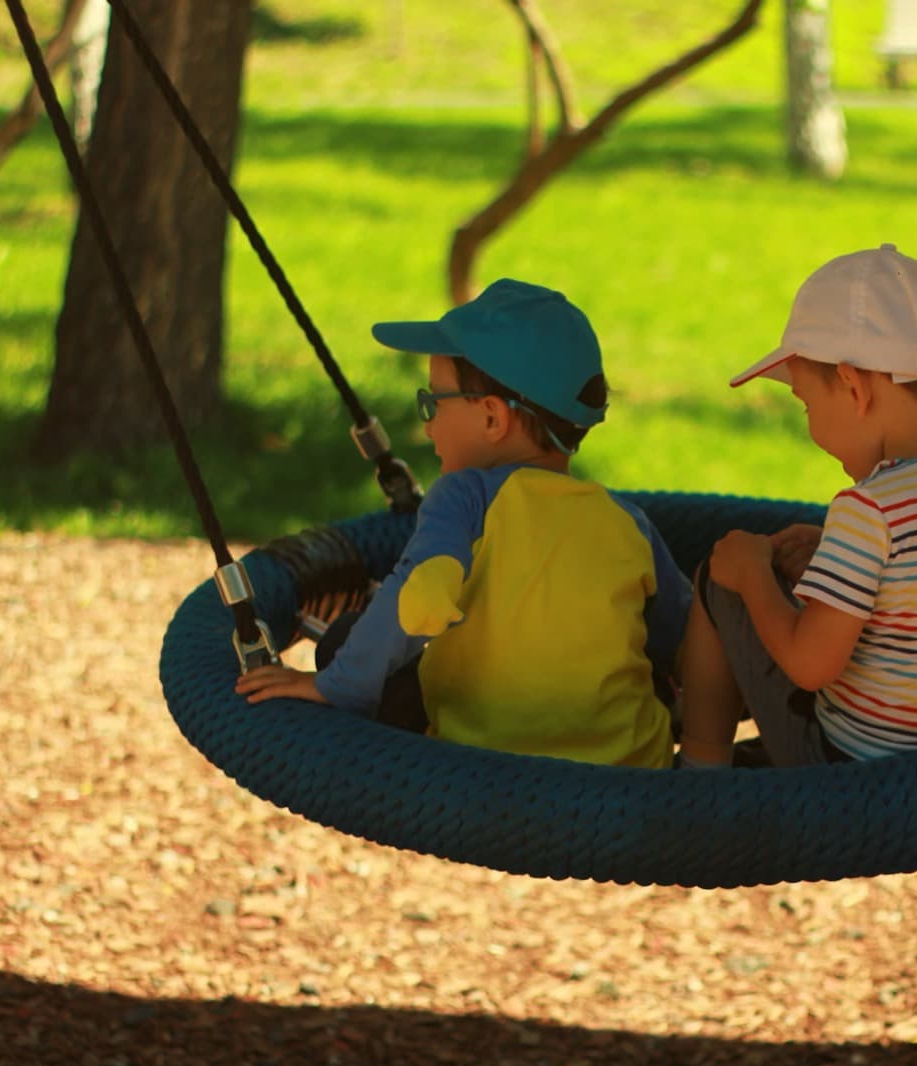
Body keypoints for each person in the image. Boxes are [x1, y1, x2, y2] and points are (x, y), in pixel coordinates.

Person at [236, 278, 692, 769]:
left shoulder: (464, 496)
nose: (426, 424)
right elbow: (685, 640)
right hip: (624, 770)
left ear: (493, 419)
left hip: (482, 759)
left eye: (433, 402)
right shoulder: (628, 523)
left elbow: (424, 597)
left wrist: (336, 686)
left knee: (346, 637)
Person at [677, 244, 917, 768]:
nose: (809, 422)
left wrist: (754, 574)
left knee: (722, 573)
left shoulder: (870, 509)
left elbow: (810, 666)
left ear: (852, 386)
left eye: (806, 402)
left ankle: (698, 778)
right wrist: (842, 556)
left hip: (847, 766)